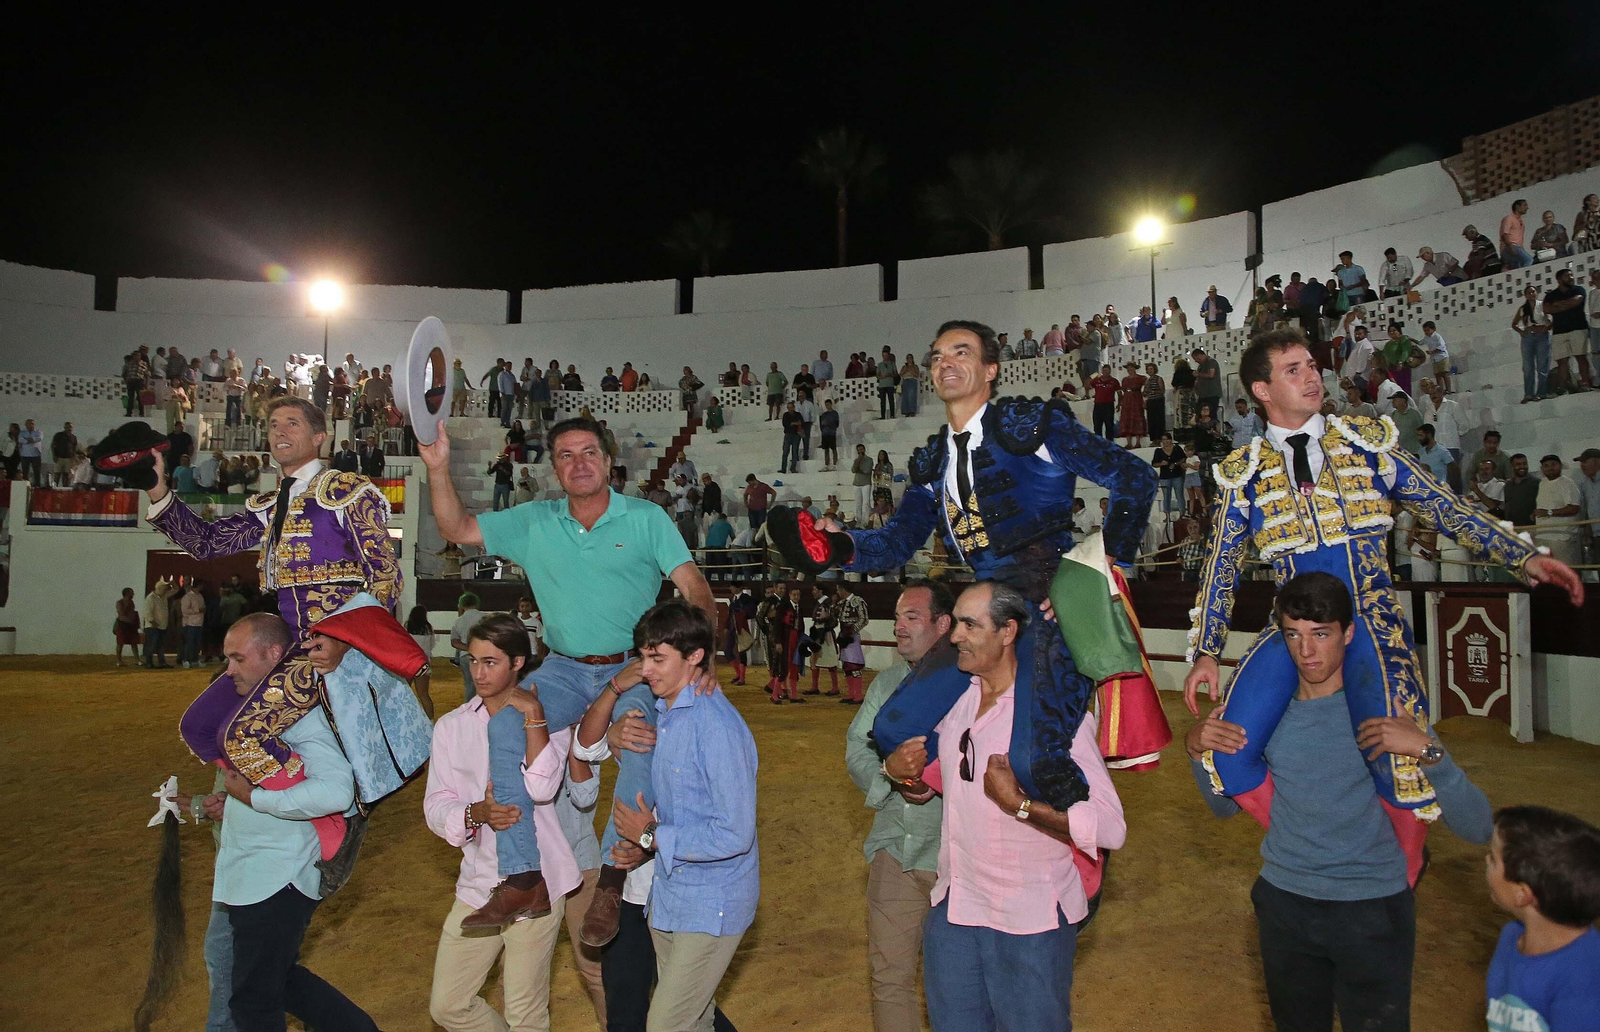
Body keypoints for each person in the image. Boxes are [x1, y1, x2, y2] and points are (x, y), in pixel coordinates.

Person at [1182, 329, 1582, 836]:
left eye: (1311, 365)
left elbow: (1445, 507)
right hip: (1292, 631)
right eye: (1294, 370)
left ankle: (1398, 870)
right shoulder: (1244, 474)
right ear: (1262, 391)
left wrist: (1522, 559)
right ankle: (1308, 844)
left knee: (1395, 765)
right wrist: (1207, 651)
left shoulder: (1367, 445)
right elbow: (1220, 565)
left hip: (1371, 620)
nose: (1312, 376)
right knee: (1229, 756)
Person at [793, 319, 1158, 816]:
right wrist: (838, 547)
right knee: (894, 731)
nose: (945, 363)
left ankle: (1083, 874)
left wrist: (1092, 566)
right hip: (980, 606)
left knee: (1038, 761)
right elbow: (898, 542)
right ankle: (974, 806)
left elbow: (1133, 474)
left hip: (1047, 604)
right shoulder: (932, 459)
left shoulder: (1033, 424)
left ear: (990, 369)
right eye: (938, 356)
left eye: (961, 353)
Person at [419, 413, 716, 947]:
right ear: (554, 467)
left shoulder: (646, 518)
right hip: (560, 668)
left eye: (588, 453)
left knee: (642, 745)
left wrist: (699, 662)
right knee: (506, 728)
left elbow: (694, 586)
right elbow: (455, 529)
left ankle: (612, 877)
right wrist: (438, 468)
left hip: (635, 669)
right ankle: (524, 875)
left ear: (608, 461)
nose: (578, 464)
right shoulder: (534, 520)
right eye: (565, 455)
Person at [1187, 572, 1492, 1032]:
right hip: (1284, 902)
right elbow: (1223, 808)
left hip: (1372, 906)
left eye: (1321, 634)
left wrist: (1429, 751)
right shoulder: (1266, 720)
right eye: (1293, 635)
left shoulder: (1389, 717)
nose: (1306, 651)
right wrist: (1195, 751)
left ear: (1348, 634)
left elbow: (1479, 827)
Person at [881, 582, 1125, 1031]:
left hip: (1030, 917)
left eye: (970, 625)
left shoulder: (1055, 717)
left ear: (1008, 632)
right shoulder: (954, 707)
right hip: (955, 909)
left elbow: (1112, 828)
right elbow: (934, 787)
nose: (954, 635)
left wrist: (1022, 805)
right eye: (955, 622)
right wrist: (900, 775)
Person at [143, 397, 401, 794]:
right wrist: (158, 489)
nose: (279, 430)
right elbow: (207, 543)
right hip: (290, 644)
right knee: (199, 725)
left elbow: (385, 578)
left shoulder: (346, 490)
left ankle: (315, 812)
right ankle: (278, 791)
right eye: (274, 424)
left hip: (334, 649)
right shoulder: (268, 504)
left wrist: (344, 643)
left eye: (292, 423)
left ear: (320, 438)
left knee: (242, 735)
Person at [574, 602, 753, 1032]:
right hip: (670, 900)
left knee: (667, 1025)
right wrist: (615, 735)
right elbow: (589, 747)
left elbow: (735, 833)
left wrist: (650, 836)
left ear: (694, 657)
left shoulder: (716, 726)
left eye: (658, 658)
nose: (645, 669)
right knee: (694, 1023)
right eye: (642, 656)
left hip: (714, 905)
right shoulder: (666, 713)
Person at [424, 614, 588, 1032]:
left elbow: (542, 789)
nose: (478, 672)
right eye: (474, 661)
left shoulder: (549, 716)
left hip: (539, 882)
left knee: (525, 1014)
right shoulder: (451, 726)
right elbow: (437, 803)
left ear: (518, 663)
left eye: (491, 662)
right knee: (448, 1006)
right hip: (478, 882)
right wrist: (475, 812)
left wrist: (534, 716)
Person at [844, 582, 953, 1032]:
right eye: (897, 616)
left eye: (912, 616)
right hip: (897, 851)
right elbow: (856, 749)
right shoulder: (886, 683)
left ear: (943, 625)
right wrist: (890, 774)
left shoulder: (975, 686)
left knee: (958, 984)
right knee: (890, 978)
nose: (899, 626)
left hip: (961, 857)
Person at [1483, 806, 1600, 1032]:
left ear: (1522, 894)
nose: (1487, 861)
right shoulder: (1512, 937)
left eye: (1495, 860)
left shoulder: (1585, 980)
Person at [1543, 267, 1592, 394]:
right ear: (1559, 279)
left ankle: (1585, 383)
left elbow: (1576, 302)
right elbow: (1547, 309)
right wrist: (1566, 304)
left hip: (1578, 328)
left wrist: (1557, 305)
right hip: (1559, 331)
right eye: (1567, 276)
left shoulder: (1578, 289)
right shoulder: (1551, 295)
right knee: (1561, 361)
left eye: (1571, 275)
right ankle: (1562, 387)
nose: (1571, 278)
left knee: (1581, 357)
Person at [1534, 455, 1583, 567]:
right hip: (1543, 536)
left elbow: (1574, 508)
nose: (1550, 468)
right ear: (1542, 469)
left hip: (1562, 537)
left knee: (1565, 571)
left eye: (1553, 464)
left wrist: (1549, 512)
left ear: (1560, 466)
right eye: (1546, 466)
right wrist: (1536, 514)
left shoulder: (1568, 483)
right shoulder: (1542, 483)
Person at [1513, 283, 1553, 403]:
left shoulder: (1543, 305)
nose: (1531, 294)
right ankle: (1529, 394)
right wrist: (1522, 332)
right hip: (1528, 337)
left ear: (1537, 293)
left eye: (1533, 291)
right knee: (1528, 366)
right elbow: (1514, 324)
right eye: (1529, 292)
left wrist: (1546, 327)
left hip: (1542, 335)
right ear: (1525, 295)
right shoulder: (1522, 309)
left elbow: (1550, 320)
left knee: (1542, 365)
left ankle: (1541, 392)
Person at [450, 593, 486, 703]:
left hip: (465, 655)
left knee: (469, 684)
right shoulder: (485, 618)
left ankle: (469, 709)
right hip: (484, 655)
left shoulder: (458, 621)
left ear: (462, 605)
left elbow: (454, 642)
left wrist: (468, 648)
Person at [1501, 197, 1532, 269]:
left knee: (1517, 267)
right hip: (1510, 246)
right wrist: (1510, 246)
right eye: (1524, 205)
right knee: (1528, 260)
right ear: (1517, 207)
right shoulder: (1509, 218)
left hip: (1516, 247)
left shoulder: (1520, 221)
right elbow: (1505, 234)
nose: (1527, 208)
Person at [114, 587, 141, 666]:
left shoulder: (131, 602)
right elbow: (121, 614)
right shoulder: (119, 603)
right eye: (131, 593)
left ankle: (137, 660)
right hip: (122, 625)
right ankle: (119, 661)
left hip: (131, 625)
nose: (133, 595)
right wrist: (129, 620)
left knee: (134, 643)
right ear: (127, 594)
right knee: (120, 643)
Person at [1089, 366, 1118, 440]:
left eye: (1107, 370)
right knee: (1097, 426)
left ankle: (1110, 444)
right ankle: (1099, 444)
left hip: (1109, 405)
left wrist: (1119, 404)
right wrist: (1094, 375)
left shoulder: (1114, 381)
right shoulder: (1096, 380)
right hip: (1098, 405)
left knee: (1109, 426)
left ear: (1110, 371)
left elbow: (1119, 392)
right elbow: (1088, 385)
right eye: (1104, 370)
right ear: (1102, 371)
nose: (1106, 372)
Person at [1191, 347, 1222, 416]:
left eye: (1195, 359)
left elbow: (1211, 375)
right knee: (1200, 415)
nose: (1196, 361)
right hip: (1203, 395)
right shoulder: (1200, 366)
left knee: (1211, 415)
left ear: (1199, 356)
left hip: (1212, 394)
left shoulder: (1211, 362)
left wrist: (1198, 374)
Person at [1141, 360, 1166, 441]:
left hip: (1158, 401)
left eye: (1151, 369)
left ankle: (1160, 438)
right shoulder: (1147, 380)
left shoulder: (1159, 378)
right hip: (1150, 401)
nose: (1149, 371)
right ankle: (1154, 439)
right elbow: (1145, 392)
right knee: (1151, 420)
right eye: (1148, 369)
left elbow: (1162, 391)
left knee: (1159, 420)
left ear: (1154, 369)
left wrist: (1151, 391)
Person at [779, 401, 803, 474]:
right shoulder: (786, 415)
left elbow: (800, 423)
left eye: (791, 407)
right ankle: (783, 469)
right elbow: (785, 424)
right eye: (789, 408)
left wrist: (793, 423)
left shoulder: (798, 414)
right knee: (785, 452)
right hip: (788, 434)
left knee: (794, 452)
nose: (790, 409)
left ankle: (793, 468)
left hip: (796, 435)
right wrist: (794, 423)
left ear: (794, 407)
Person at [819, 399, 840, 471]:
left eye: (828, 404)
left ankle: (834, 464)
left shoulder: (835, 413)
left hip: (831, 433)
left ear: (831, 404)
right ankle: (826, 464)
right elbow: (821, 424)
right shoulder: (824, 414)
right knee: (826, 449)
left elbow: (836, 423)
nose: (827, 406)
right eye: (826, 405)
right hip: (825, 433)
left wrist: (829, 424)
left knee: (833, 449)